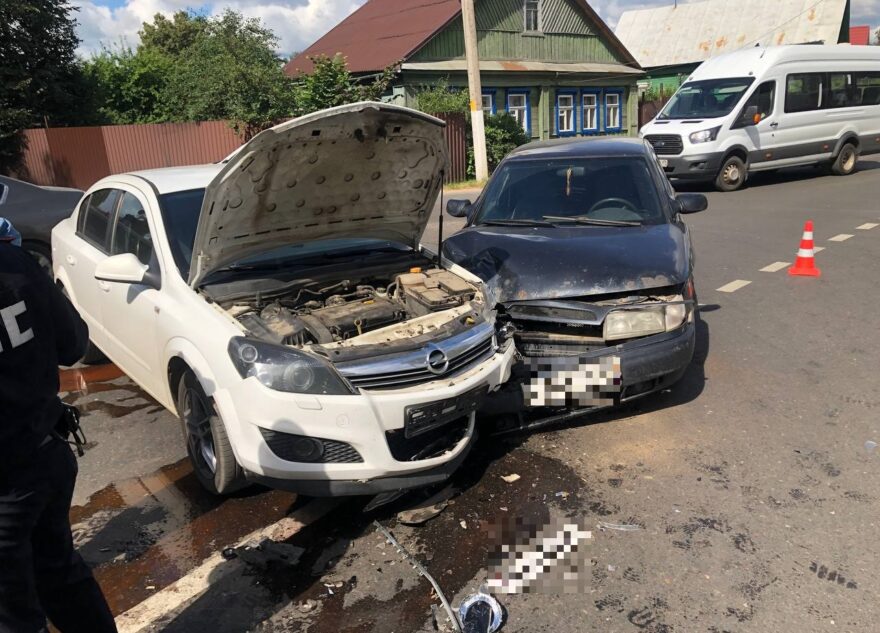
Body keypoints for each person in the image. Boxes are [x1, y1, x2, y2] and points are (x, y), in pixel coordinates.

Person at [0, 217, 117, 633]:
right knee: (60, 574)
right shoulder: (14, 262)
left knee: (15, 615)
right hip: (46, 455)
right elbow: (73, 344)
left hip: (13, 478)